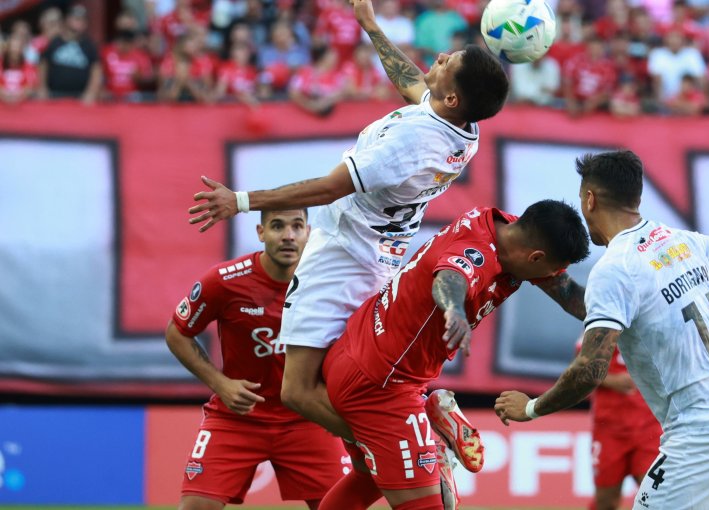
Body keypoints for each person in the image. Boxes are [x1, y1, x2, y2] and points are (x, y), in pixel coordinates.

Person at [188, 0, 509, 488]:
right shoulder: (464, 128)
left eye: (449, 63)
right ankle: (424, 415)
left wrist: (242, 199)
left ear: (451, 99)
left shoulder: (413, 143)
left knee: (297, 390)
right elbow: (415, 85)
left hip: (343, 255)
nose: (439, 58)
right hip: (382, 256)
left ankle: (411, 444)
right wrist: (371, 26)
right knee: (349, 379)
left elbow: (329, 187)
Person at [495, 150, 709, 509]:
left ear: (590, 199)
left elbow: (590, 370)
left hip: (702, 432)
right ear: (636, 199)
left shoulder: (616, 267)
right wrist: (679, 299)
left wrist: (531, 408)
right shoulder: (681, 241)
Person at [318, 201, 590, 510]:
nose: (555, 277)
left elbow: (570, 296)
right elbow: (449, 278)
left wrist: (621, 313)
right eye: (554, 269)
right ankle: (431, 441)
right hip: (381, 388)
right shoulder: (480, 254)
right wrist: (455, 310)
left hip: (354, 351)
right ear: (536, 257)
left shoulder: (507, 229)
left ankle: (430, 426)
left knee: (367, 479)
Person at [165, 209, 347, 510]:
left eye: (296, 226)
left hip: (308, 417)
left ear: (308, 232)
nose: (288, 235)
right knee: (195, 506)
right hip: (237, 418)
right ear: (261, 232)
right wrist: (220, 384)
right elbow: (177, 333)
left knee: (341, 505)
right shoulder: (223, 281)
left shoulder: (328, 284)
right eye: (277, 226)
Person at [577, 337, 661, 510]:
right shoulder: (601, 325)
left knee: (656, 498)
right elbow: (578, 370)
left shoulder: (653, 324)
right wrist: (611, 380)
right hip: (609, 430)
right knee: (606, 502)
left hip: (649, 428)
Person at [38, 4, 102, 104]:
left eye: (81, 20)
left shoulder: (89, 45)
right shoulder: (55, 42)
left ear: (85, 24)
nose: (78, 23)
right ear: (67, 20)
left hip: (79, 97)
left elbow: (96, 69)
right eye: (75, 19)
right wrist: (42, 88)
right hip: (54, 96)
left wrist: (91, 92)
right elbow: (43, 64)